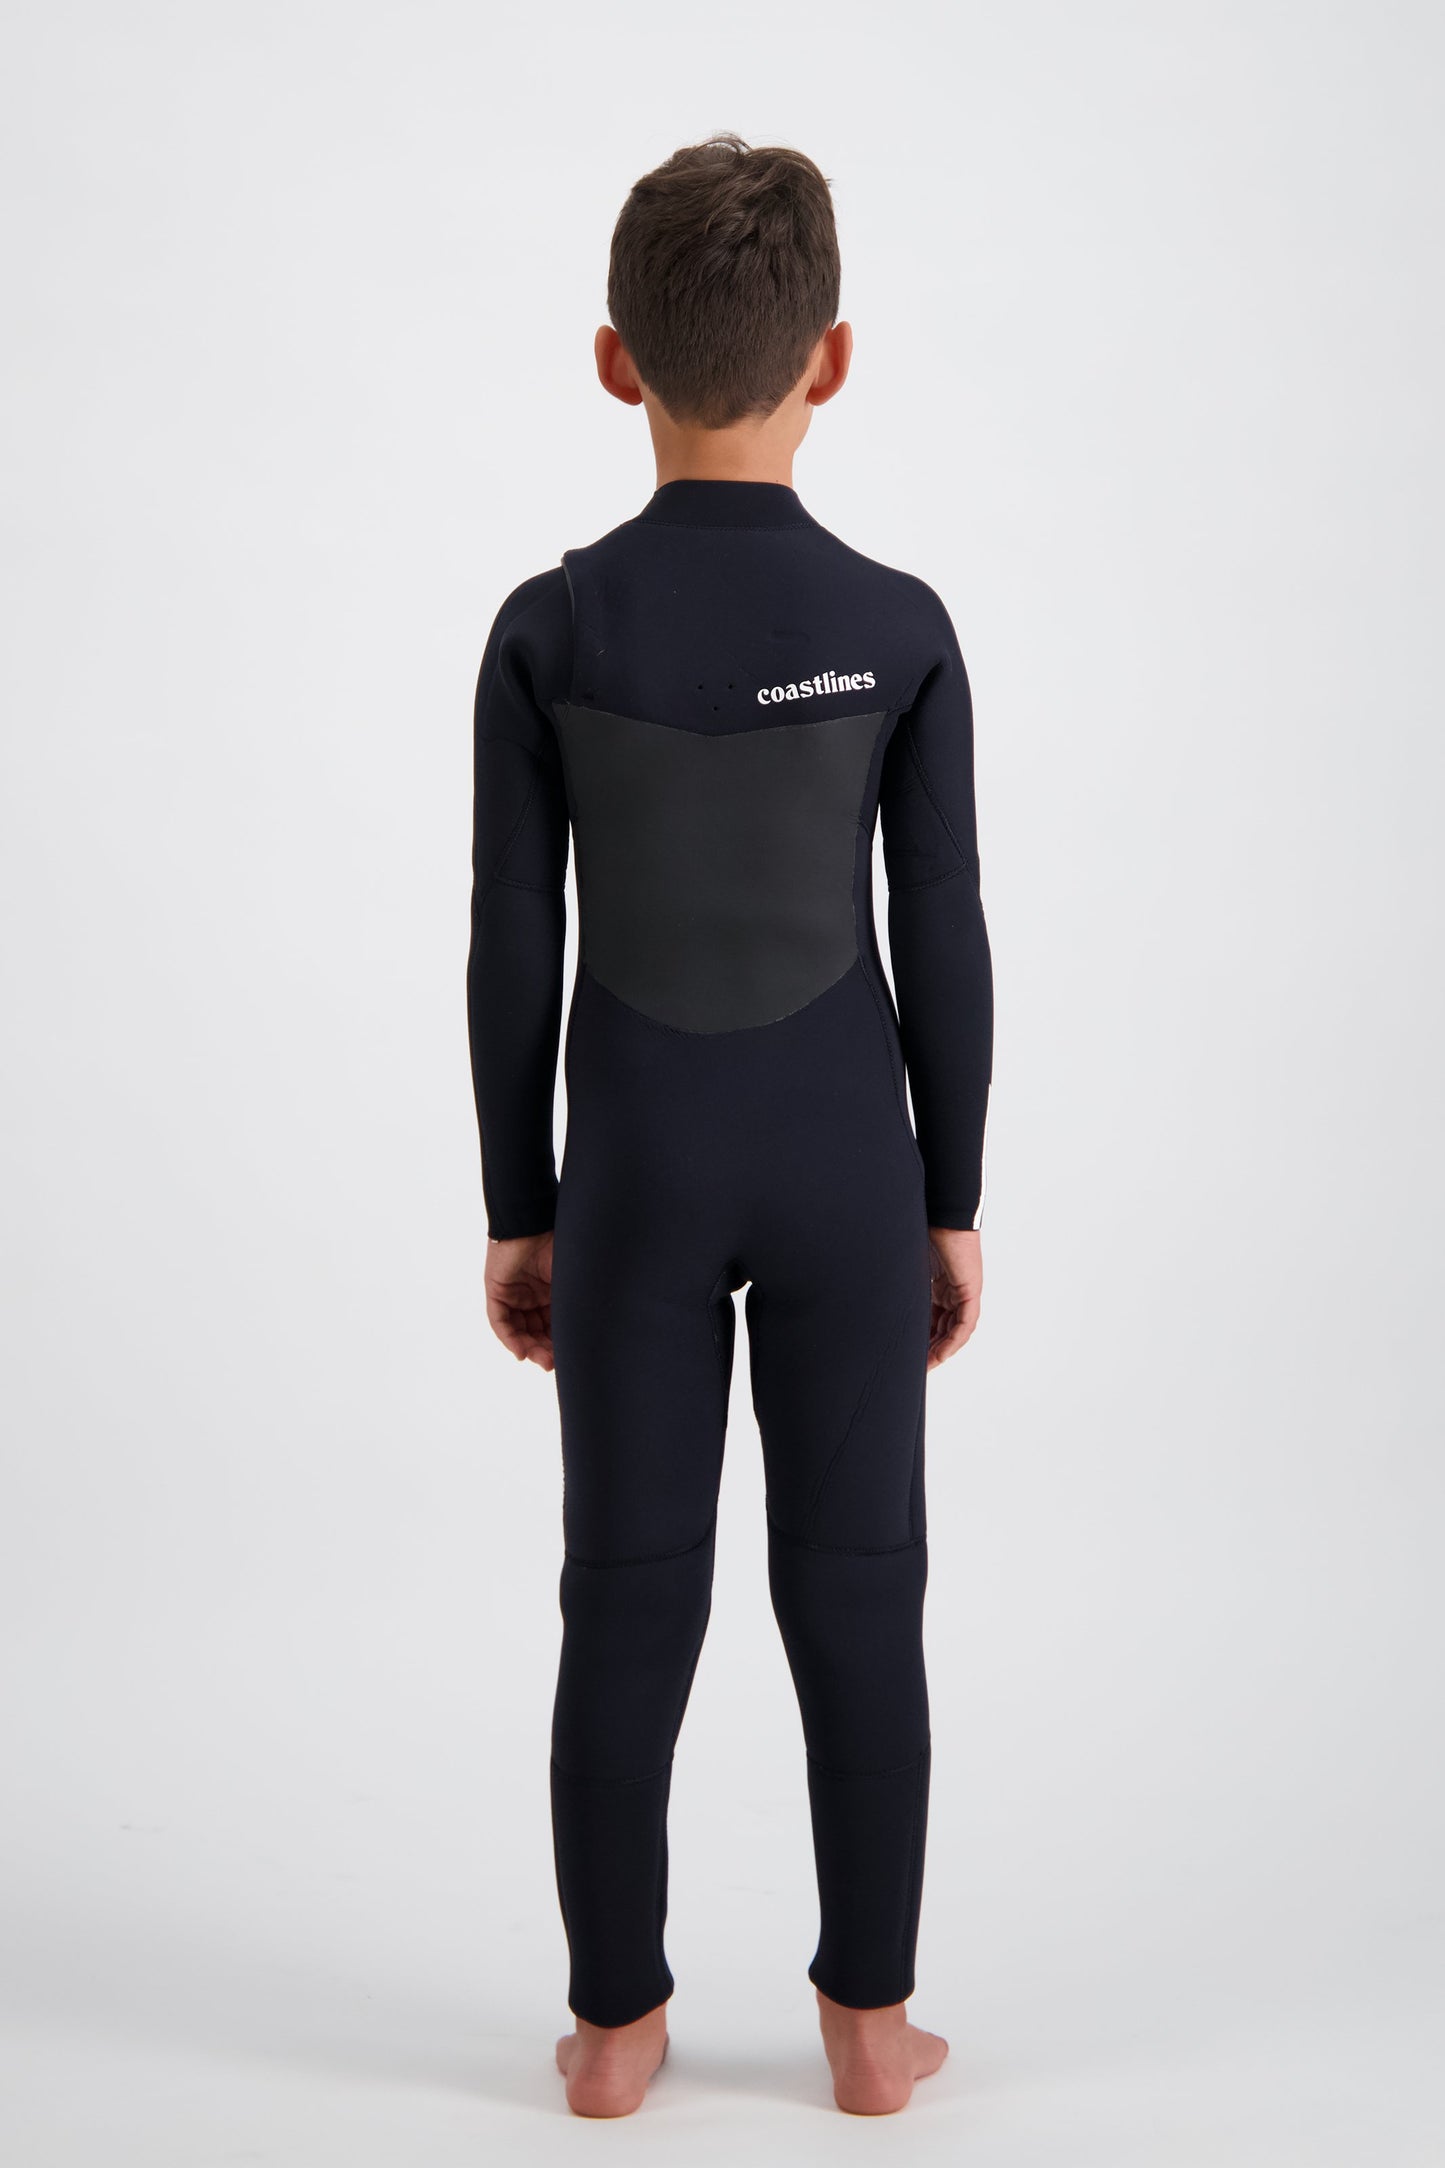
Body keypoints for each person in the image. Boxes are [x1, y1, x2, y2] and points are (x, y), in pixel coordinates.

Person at [466, 133, 993, 2118]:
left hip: (636, 1170)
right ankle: (868, 2028)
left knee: (626, 1589)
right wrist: (951, 1198)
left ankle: (615, 2031)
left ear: (617, 359)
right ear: (830, 358)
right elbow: (941, 931)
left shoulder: (548, 630)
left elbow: (511, 944)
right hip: (849, 1159)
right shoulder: (903, 625)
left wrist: (521, 1208)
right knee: (858, 1582)